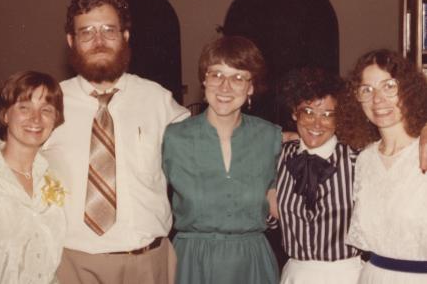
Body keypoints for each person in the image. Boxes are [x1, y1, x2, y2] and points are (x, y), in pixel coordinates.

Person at [41, 0, 189, 283]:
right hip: (71, 264)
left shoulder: (158, 100)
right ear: (71, 41)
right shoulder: (47, 102)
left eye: (109, 30)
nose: (98, 41)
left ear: (125, 36)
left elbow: (206, 145)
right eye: (87, 32)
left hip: (147, 263)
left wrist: (275, 138)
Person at [162, 35, 281, 284]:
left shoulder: (271, 136)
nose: (225, 87)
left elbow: (282, 204)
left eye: (238, 77)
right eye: (216, 74)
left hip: (252, 263)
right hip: (192, 262)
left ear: (251, 87)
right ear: (204, 80)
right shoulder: (174, 137)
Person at [337, 49, 427, 283]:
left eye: (389, 86)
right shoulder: (365, 159)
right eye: (367, 90)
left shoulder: (424, 150)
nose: (377, 99)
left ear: (408, 90)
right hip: (372, 276)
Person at [266, 67, 362, 283]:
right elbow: (268, 220)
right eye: (308, 112)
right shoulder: (277, 159)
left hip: (346, 275)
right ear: (294, 112)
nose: (317, 123)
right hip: (295, 274)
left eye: (328, 115)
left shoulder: (358, 160)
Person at [0, 70, 65, 284]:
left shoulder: (53, 178)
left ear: (55, 119)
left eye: (46, 109)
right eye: (24, 107)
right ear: (5, 115)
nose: (36, 118)